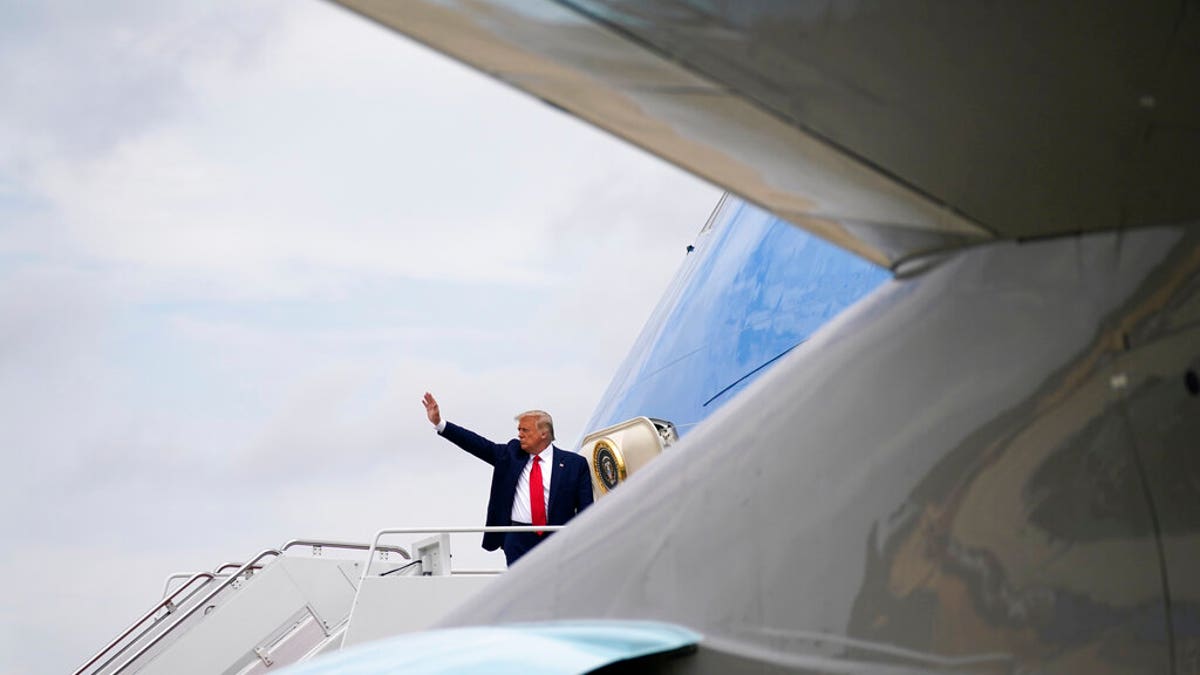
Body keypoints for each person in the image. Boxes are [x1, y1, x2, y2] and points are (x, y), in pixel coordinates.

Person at [421, 392, 594, 565]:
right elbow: (478, 444)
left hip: (559, 538)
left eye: (525, 430)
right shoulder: (511, 454)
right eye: (518, 430)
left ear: (544, 433)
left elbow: (587, 509)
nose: (520, 434)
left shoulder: (574, 464)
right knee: (523, 589)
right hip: (518, 539)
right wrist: (440, 423)